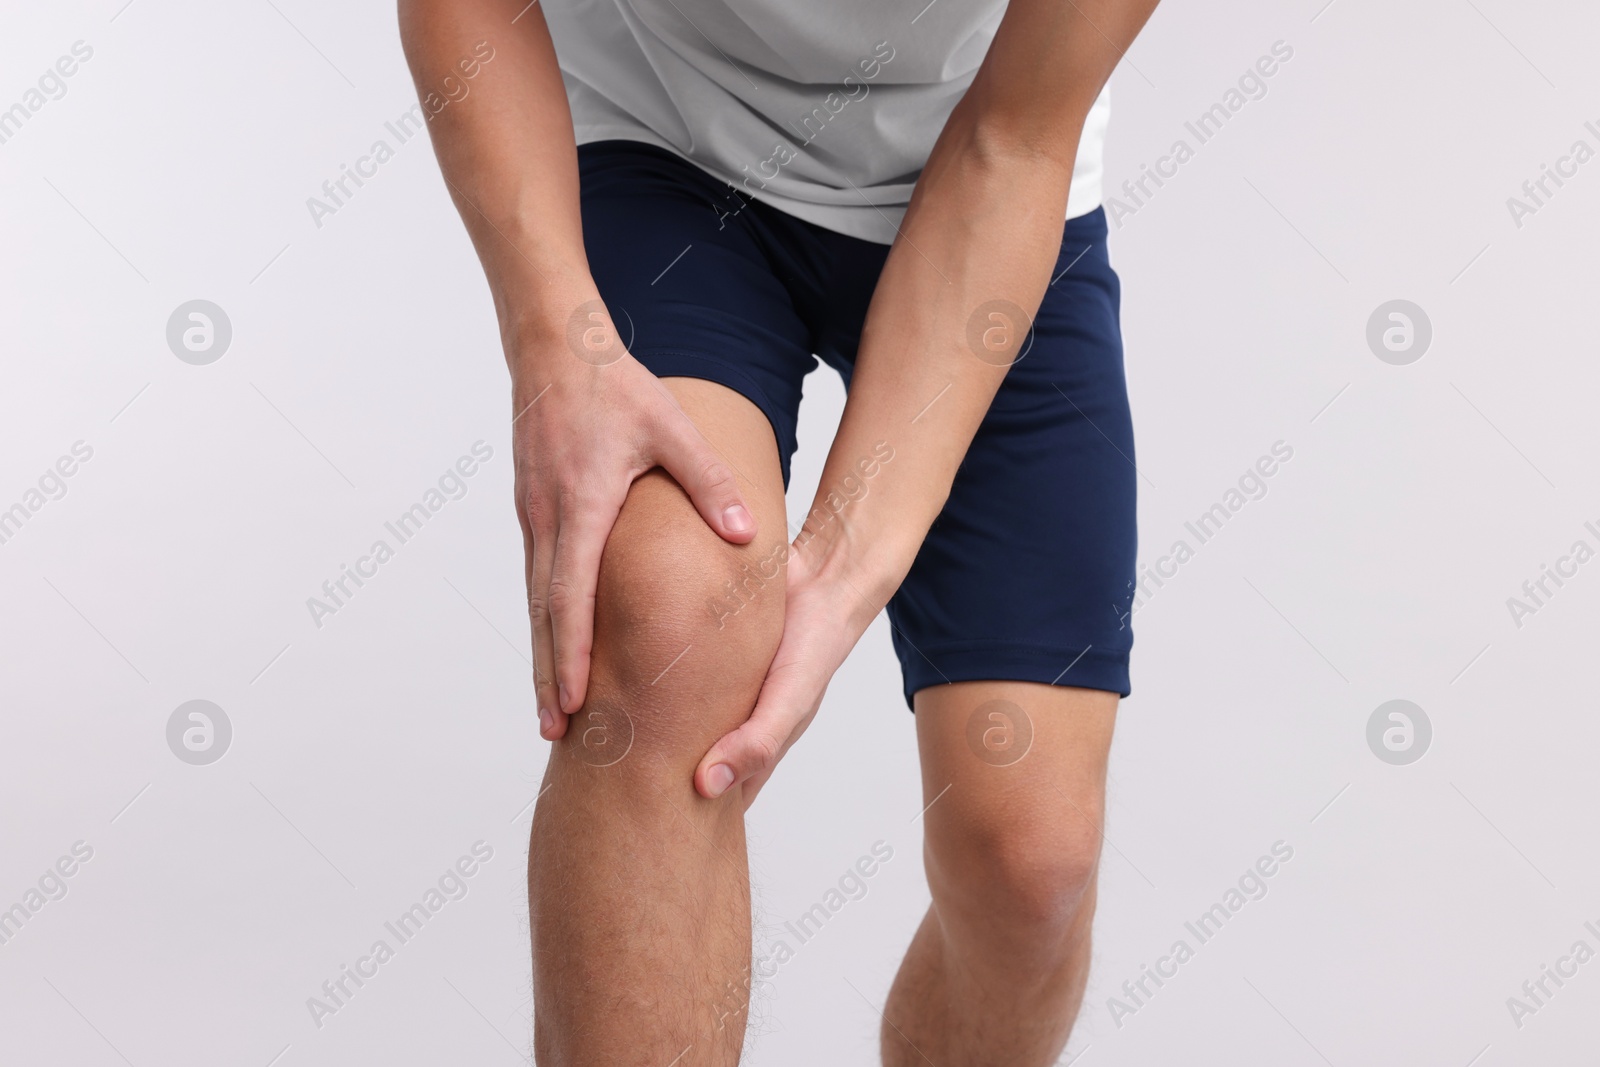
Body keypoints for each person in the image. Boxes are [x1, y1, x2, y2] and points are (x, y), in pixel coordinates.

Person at [399, 0, 1159, 1061]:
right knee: (672, 620)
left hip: (985, 153)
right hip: (666, 129)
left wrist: (844, 567)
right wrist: (550, 335)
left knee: (1028, 860)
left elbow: (1011, 138)